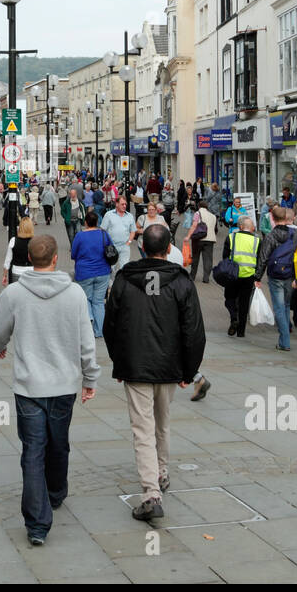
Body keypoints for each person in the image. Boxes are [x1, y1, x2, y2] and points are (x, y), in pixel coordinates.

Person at [0, 234, 99, 546]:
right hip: (63, 385)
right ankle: (56, 492)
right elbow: (86, 343)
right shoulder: (75, 294)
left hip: (29, 387)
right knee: (58, 443)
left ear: (30, 260)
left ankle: (37, 524)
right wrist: (90, 378)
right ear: (54, 259)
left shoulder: (14, 294)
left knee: (32, 451)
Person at [103, 224, 206, 523]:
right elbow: (194, 330)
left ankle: (151, 492)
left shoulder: (124, 279)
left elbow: (111, 325)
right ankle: (160, 472)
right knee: (162, 421)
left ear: (142, 247)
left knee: (143, 427)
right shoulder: (182, 282)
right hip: (169, 363)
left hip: (135, 363)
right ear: (168, 248)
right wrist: (190, 369)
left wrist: (117, 360)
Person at [254, 206, 297, 352]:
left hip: (275, 275)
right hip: (290, 274)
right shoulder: (295, 234)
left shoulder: (270, 236)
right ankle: (284, 339)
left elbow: (263, 258)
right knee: (286, 305)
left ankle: (285, 341)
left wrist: (258, 277)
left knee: (279, 307)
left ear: (273, 219)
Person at [70, 208, 113, 338]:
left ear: (86, 222)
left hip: (85, 272)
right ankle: (99, 330)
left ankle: (88, 325)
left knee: (86, 299)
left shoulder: (80, 236)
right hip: (103, 271)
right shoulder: (104, 234)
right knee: (99, 301)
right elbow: (111, 250)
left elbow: (73, 254)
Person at [220, 216, 259, 337]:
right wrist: (257, 276)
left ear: (240, 227)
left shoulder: (231, 237)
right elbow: (260, 259)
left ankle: (233, 318)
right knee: (244, 302)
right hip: (249, 275)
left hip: (233, 274)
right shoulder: (257, 240)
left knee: (229, 298)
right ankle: (241, 331)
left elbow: (225, 256)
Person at [100, 194, 136, 276]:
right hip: (112, 247)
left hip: (124, 247)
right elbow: (102, 231)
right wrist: (105, 245)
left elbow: (133, 231)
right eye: (122, 204)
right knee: (111, 269)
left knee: (124, 268)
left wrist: (129, 242)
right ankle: (111, 286)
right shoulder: (109, 215)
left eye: (125, 204)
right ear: (116, 204)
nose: (124, 206)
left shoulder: (130, 216)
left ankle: (121, 286)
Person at [188, 201, 218, 284]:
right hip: (210, 240)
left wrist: (188, 236)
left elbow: (194, 225)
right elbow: (215, 229)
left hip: (198, 239)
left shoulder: (197, 213)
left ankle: (192, 276)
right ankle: (206, 278)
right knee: (208, 259)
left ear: (199, 206)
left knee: (195, 258)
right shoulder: (213, 216)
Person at [3, 216, 36, 286]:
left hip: (17, 271)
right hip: (32, 272)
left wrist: (5, 275)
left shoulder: (13, 241)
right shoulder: (36, 241)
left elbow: (7, 260)